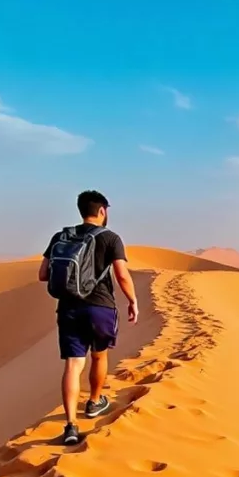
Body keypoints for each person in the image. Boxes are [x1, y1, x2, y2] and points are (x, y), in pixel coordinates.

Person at [40, 190, 138, 446]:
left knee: (73, 365)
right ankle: (94, 402)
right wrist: (132, 300)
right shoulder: (111, 238)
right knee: (99, 355)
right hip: (100, 307)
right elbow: (122, 275)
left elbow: (43, 274)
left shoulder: (61, 236)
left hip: (69, 308)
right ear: (103, 211)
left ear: (81, 210)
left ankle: (71, 426)